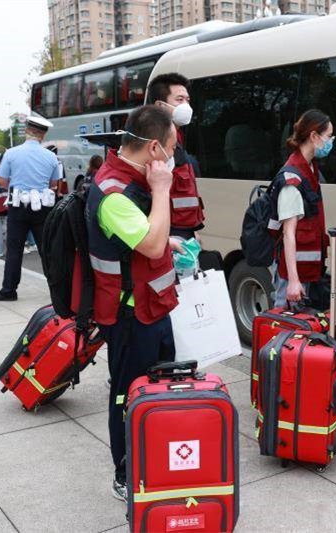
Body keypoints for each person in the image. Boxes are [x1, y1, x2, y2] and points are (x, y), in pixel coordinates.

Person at [85, 105, 178, 501]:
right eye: (172, 149)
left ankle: (155, 456)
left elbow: (149, 239)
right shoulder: (113, 192)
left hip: (152, 307)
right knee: (128, 393)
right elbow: (152, 243)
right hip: (128, 316)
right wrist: (162, 190)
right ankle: (125, 472)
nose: (174, 158)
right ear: (154, 148)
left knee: (160, 388)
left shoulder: (134, 181)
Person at [0, 116, 59, 301]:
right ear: (43, 135)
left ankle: (9, 290)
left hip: (18, 205)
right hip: (43, 207)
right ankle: (57, 291)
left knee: (14, 249)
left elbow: (2, 181)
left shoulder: (11, 153)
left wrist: (18, 184)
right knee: (47, 250)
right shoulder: (51, 156)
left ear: (27, 130)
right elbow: (54, 183)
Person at [267, 109, 332, 308]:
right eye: (329, 136)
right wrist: (293, 282)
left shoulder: (310, 168)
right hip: (292, 274)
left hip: (308, 270)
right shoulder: (292, 178)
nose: (331, 142)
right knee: (283, 329)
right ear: (314, 136)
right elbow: (288, 233)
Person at [148, 73, 205, 252]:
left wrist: (194, 231)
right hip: (169, 235)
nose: (186, 106)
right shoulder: (155, 146)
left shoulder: (177, 141)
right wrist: (166, 239)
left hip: (184, 232)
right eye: (179, 99)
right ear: (160, 106)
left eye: (187, 100)